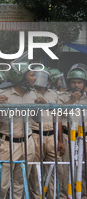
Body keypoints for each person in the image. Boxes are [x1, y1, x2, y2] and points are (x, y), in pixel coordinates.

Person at [0, 61, 37, 198]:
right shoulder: (3, 95)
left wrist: (41, 107)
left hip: (27, 143)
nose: (35, 78)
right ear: (21, 76)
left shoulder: (33, 94)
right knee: (2, 184)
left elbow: (36, 119)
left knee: (19, 182)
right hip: (7, 143)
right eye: (32, 75)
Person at [28, 66, 65, 198]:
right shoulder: (30, 93)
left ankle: (52, 195)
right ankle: (37, 196)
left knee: (56, 169)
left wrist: (60, 140)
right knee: (34, 171)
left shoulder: (53, 94)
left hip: (51, 136)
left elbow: (58, 118)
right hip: (35, 134)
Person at [58, 63, 87, 197]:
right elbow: (58, 113)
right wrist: (71, 100)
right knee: (66, 170)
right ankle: (65, 196)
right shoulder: (63, 97)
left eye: (79, 82)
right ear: (69, 83)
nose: (77, 85)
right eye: (74, 82)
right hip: (67, 137)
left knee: (84, 170)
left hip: (84, 138)